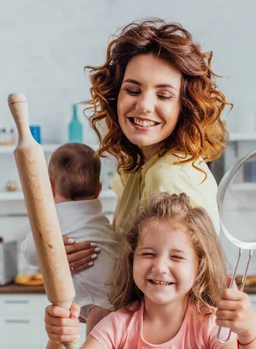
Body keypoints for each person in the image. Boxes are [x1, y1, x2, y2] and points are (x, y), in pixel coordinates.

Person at [42, 193, 256, 349]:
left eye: (177, 257)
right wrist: (57, 341)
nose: (160, 267)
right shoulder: (118, 324)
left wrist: (250, 332)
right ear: (132, 259)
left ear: (199, 266)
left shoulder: (210, 325)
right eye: (148, 254)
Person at [64, 17, 231, 272]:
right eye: (132, 90)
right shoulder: (135, 167)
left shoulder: (168, 176)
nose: (143, 106)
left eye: (163, 95)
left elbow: (177, 286)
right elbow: (124, 257)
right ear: (115, 96)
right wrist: (82, 253)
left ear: (184, 106)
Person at [21, 143, 119, 349]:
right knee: (111, 347)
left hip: (98, 298)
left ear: (50, 187)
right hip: (114, 289)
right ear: (98, 189)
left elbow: (31, 254)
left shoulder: (51, 219)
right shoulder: (97, 215)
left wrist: (48, 251)